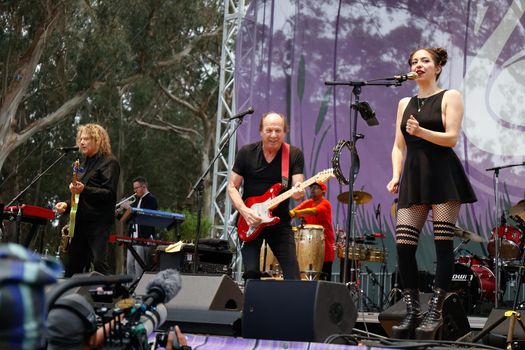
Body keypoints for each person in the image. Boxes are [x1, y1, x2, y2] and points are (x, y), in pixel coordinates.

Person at [386, 47, 477, 340]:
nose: (418, 64)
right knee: (403, 246)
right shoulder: (404, 103)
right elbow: (399, 145)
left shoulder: (450, 96)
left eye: (425, 60)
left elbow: (451, 138)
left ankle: (435, 311)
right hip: (413, 177)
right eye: (414, 61)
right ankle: (413, 310)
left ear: (437, 67)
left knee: (442, 245)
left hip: (442, 177)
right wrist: (395, 175)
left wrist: (422, 131)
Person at [228, 112, 305, 281]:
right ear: (261, 131)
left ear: (284, 132)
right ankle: (252, 306)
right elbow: (232, 187)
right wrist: (245, 211)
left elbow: (298, 187)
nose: (273, 135)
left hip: (279, 222)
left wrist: (299, 190)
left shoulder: (293, 154)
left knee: (292, 273)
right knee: (251, 273)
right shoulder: (246, 153)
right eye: (269, 130)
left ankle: (293, 306)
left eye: (278, 131)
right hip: (250, 221)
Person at [56, 123, 120, 277]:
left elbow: (109, 194)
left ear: (98, 140)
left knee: (99, 263)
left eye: (86, 139)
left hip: (98, 223)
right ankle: (70, 298)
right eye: (81, 139)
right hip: (80, 221)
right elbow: (80, 193)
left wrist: (84, 189)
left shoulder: (110, 162)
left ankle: (118, 295)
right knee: (73, 265)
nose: (81, 142)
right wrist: (66, 203)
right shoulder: (84, 163)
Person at [290, 181, 335, 281]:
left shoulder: (326, 204)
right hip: (307, 249)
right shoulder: (308, 203)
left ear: (323, 192)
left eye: (316, 187)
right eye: (311, 188)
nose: (312, 190)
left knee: (323, 282)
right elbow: (293, 212)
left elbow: (313, 211)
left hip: (324, 249)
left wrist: (295, 213)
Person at [119, 176, 158, 280]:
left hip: (143, 239)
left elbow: (144, 215)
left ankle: (138, 290)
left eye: (137, 188)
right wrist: (120, 213)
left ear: (144, 186)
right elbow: (128, 219)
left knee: (139, 267)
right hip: (133, 239)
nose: (135, 191)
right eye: (134, 188)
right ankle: (130, 290)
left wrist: (130, 208)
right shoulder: (136, 201)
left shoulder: (151, 200)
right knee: (130, 267)